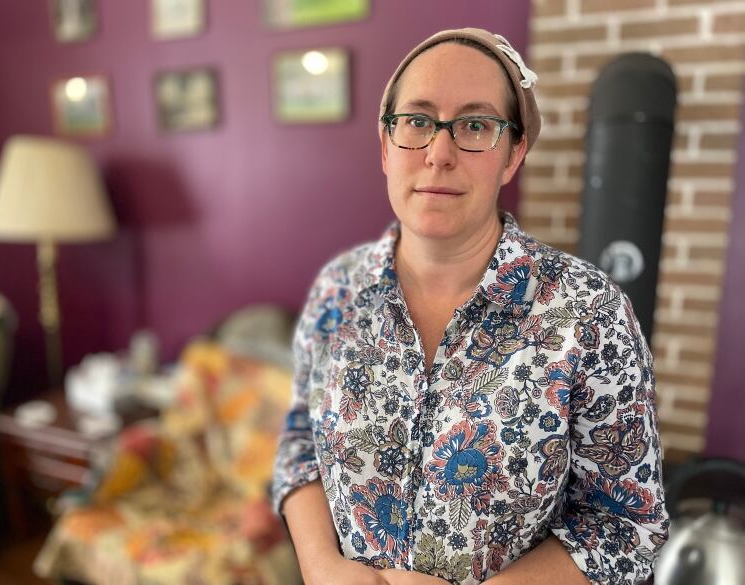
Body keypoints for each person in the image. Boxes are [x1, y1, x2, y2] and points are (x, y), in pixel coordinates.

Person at [272, 27, 669, 585]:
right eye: (416, 121)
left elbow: (627, 528)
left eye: (476, 126)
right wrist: (320, 566)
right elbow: (297, 440)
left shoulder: (589, 314)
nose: (439, 154)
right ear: (386, 146)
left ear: (513, 154)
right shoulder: (338, 290)